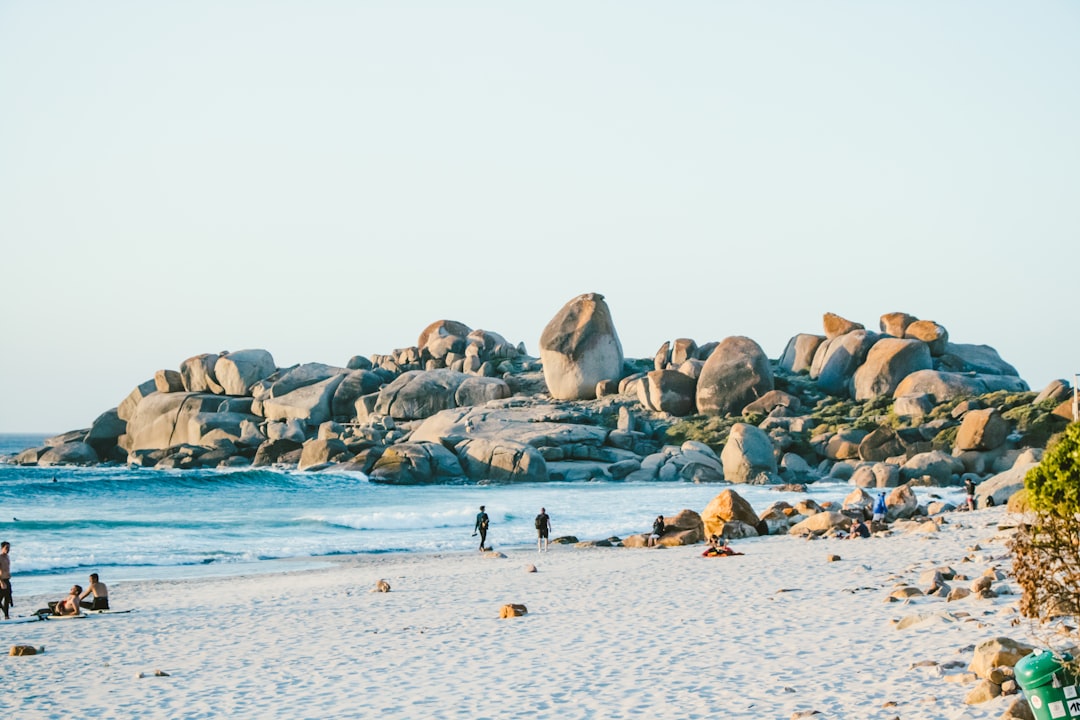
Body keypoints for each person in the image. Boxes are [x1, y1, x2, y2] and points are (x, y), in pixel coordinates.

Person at [0, 541, 11, 620]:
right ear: (2, 548)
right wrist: (1, 582)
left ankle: (6, 616)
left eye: (9, 548)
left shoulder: (7, 557)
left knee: (8, 598)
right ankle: (5, 613)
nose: (8, 549)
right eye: (6, 548)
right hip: (1, 581)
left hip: (7, 580)